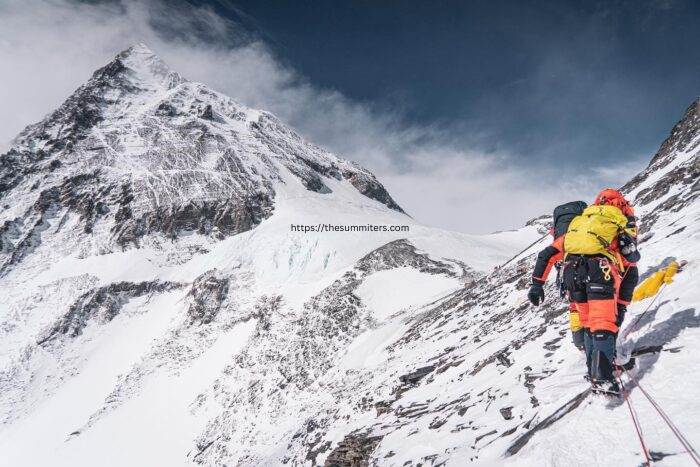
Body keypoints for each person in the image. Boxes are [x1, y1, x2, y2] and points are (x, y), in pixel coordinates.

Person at [529, 189, 640, 395]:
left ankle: (593, 373)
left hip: (572, 273)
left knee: (588, 323)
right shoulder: (616, 222)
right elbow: (631, 261)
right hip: (599, 271)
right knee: (603, 324)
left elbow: (547, 255)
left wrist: (537, 284)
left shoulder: (578, 226)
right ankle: (603, 378)